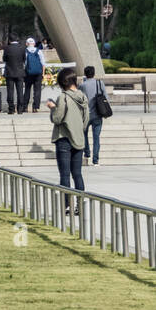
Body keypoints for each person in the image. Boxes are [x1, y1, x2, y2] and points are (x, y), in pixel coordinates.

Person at [47, 67, 90, 209]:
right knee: (77, 174)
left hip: (64, 138)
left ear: (62, 83)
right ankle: (81, 204)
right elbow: (86, 120)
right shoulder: (83, 97)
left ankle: (67, 204)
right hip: (79, 139)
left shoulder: (63, 97)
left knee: (65, 174)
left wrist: (53, 107)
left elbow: (57, 118)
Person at [80, 64, 104, 166]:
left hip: (86, 115)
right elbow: (105, 97)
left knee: (84, 134)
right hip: (98, 114)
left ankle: (87, 152)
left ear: (85, 74)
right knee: (96, 137)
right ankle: (96, 160)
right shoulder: (100, 83)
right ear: (94, 74)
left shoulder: (82, 85)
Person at [2, 36, 26, 115]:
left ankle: (11, 109)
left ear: (9, 40)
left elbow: (4, 59)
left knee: (10, 91)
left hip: (10, 72)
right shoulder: (22, 48)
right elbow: (24, 59)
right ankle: (20, 109)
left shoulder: (7, 48)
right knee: (20, 91)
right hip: (19, 72)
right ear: (17, 39)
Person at [24, 37, 45, 112]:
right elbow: (43, 63)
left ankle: (25, 107)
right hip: (38, 73)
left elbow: (24, 64)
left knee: (27, 90)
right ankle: (35, 107)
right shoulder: (39, 51)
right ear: (34, 44)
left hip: (28, 73)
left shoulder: (25, 51)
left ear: (27, 44)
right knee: (37, 90)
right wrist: (43, 74)